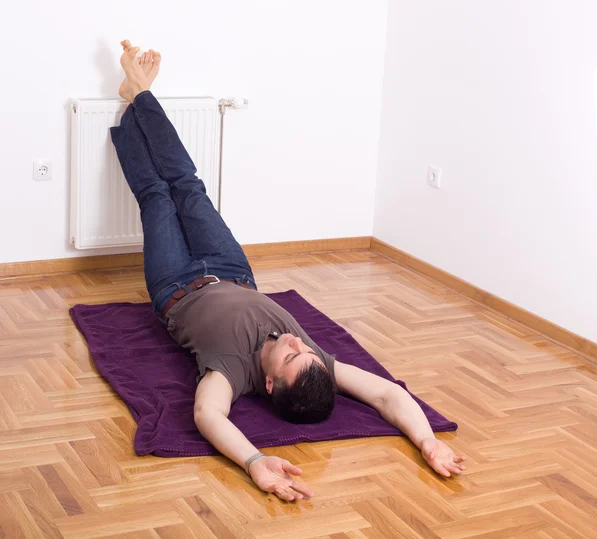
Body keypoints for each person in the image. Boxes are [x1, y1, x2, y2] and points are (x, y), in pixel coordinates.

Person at [111, 40, 467, 502]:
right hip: (231, 268)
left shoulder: (232, 374)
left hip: (175, 285)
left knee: (158, 194)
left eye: (293, 355)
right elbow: (387, 396)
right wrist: (427, 440)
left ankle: (135, 97)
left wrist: (255, 462)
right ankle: (138, 95)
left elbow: (208, 416)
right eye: (308, 352)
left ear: (272, 382)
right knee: (189, 186)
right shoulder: (316, 363)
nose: (300, 341)